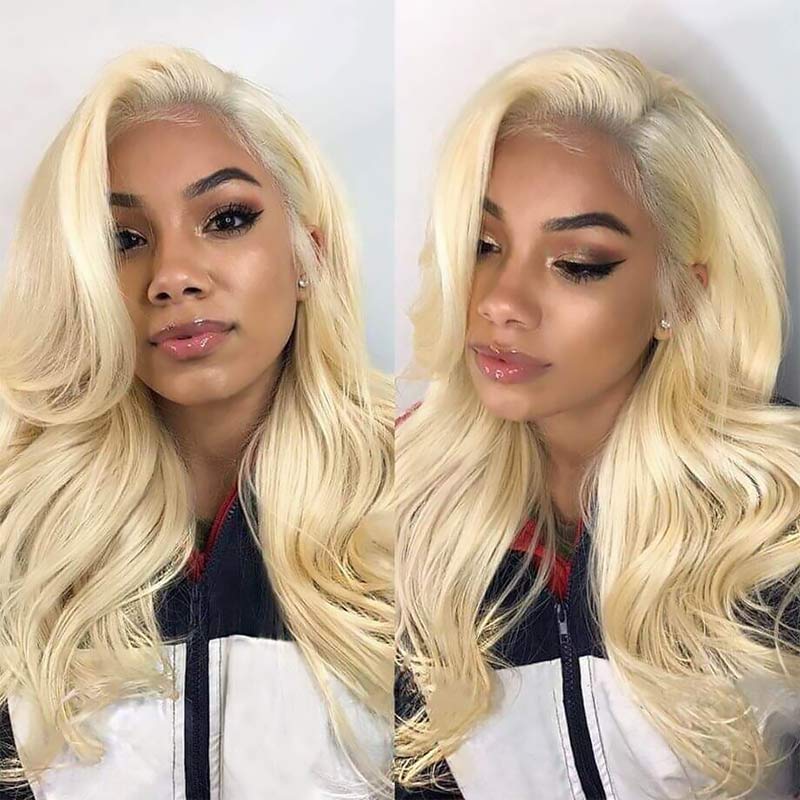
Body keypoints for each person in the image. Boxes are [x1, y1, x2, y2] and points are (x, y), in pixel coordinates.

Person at [394, 46, 800, 799]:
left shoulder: (776, 515)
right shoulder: (403, 499)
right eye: (483, 245)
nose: (501, 301)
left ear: (681, 295)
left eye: (577, 263)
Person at [0, 46, 393, 799]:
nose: (174, 275)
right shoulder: (23, 535)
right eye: (124, 239)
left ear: (308, 252)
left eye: (226, 219)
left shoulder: (419, 508)